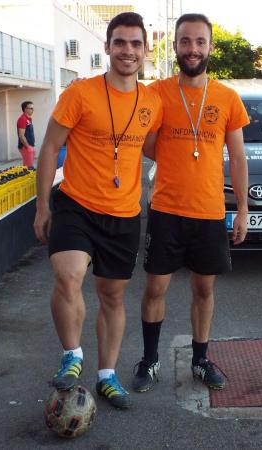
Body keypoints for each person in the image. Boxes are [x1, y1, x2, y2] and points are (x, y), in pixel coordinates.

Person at [33, 12, 162, 409]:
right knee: (69, 275)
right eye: (120, 42)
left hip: (124, 214)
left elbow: (156, 149)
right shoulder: (80, 93)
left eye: (135, 43)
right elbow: (50, 148)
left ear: (145, 50)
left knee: (112, 296)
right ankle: (72, 355)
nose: (128, 50)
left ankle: (107, 376)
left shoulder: (153, 101)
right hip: (75, 204)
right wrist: (42, 206)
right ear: (107, 47)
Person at [132, 13, 249, 393]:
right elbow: (142, 141)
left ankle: (201, 359)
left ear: (210, 47)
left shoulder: (227, 98)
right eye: (185, 41)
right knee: (155, 290)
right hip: (166, 210)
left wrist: (243, 209)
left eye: (200, 42)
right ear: (175, 46)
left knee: (204, 290)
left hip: (209, 212)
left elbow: (239, 156)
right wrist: (170, 150)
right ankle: (150, 361)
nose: (193, 49)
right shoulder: (157, 92)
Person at [17, 101, 35, 167]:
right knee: (29, 167)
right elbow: (21, 136)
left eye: (33, 108)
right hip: (25, 147)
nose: (33, 110)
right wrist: (28, 147)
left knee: (27, 167)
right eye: (31, 108)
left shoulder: (28, 119)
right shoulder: (22, 119)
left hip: (30, 146)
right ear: (25, 109)